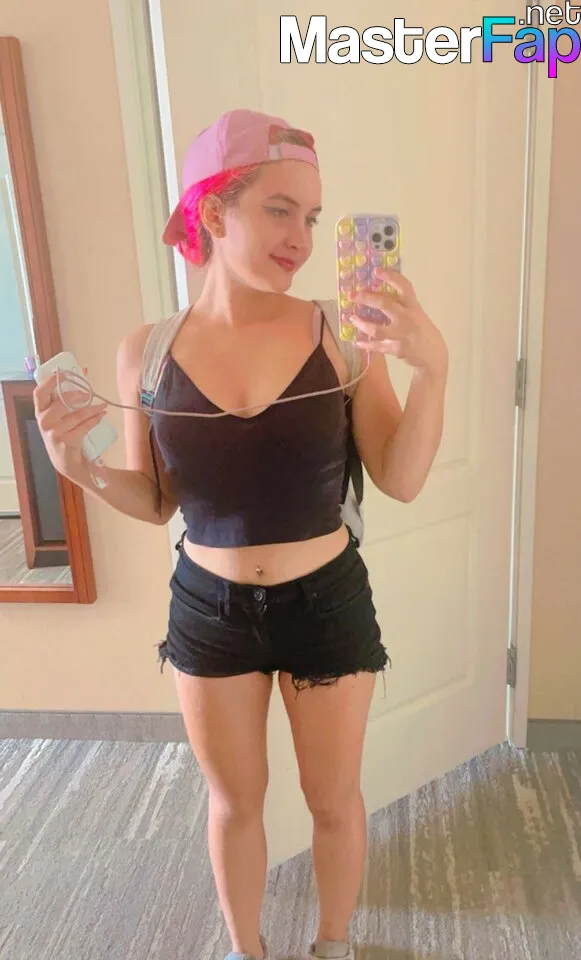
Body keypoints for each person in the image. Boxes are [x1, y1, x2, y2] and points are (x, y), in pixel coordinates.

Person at [33, 109, 449, 960]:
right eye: (279, 209)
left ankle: (332, 944)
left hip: (325, 600)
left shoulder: (341, 334)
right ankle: (245, 950)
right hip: (208, 608)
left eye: (312, 215)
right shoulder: (147, 352)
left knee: (332, 800)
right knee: (233, 804)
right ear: (214, 212)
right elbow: (157, 501)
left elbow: (400, 479)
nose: (302, 237)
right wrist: (79, 468)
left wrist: (432, 370)